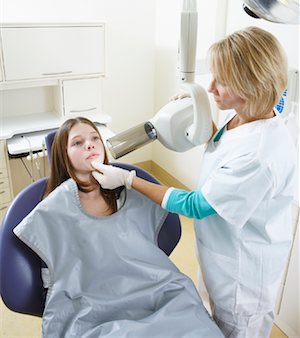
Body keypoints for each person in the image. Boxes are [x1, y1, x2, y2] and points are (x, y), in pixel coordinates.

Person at [92, 26, 297, 338]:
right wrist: (200, 115)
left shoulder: (260, 155)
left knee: (233, 331)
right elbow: (224, 147)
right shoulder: (247, 114)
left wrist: (128, 179)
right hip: (219, 254)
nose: (211, 87)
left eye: (222, 81)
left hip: (243, 276)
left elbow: (197, 205)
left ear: (250, 85)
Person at [13, 117, 223, 338]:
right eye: (77, 143)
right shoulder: (53, 209)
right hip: (93, 312)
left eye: (95, 138)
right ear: (63, 156)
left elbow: (190, 203)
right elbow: (62, 268)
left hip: (159, 295)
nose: (90, 144)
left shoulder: (133, 193)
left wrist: (129, 181)